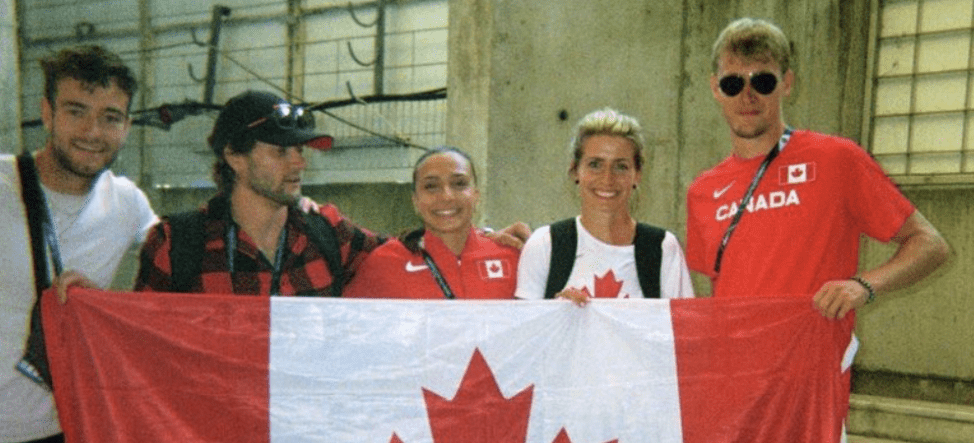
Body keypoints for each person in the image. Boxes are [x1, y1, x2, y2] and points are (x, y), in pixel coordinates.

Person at [0, 45, 159, 443]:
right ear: (44, 114)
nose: (94, 132)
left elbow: (196, 269)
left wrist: (302, 212)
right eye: (76, 111)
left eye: (111, 116)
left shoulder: (127, 205)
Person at [134, 91, 529, 296]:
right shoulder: (176, 245)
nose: (299, 163)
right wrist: (85, 304)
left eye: (300, 150)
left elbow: (410, 253)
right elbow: (136, 347)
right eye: (281, 151)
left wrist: (485, 239)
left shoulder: (328, 235)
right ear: (235, 157)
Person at [685, 17, 950, 318]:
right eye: (733, 83)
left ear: (786, 83)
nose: (748, 95)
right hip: (737, 363)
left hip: (813, 362)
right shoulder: (702, 191)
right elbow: (720, 289)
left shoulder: (836, 160)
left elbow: (930, 244)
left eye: (763, 81)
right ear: (715, 88)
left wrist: (864, 286)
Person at [515, 108, 694, 302]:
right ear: (575, 171)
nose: (607, 179)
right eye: (595, 164)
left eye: (621, 166)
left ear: (637, 175)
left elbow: (684, 330)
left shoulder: (662, 248)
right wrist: (556, 314)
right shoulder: (545, 244)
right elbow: (526, 330)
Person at [343, 146, 518, 299]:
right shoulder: (383, 263)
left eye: (459, 184)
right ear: (415, 201)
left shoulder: (512, 256)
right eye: (431, 186)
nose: (446, 196)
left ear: (476, 196)